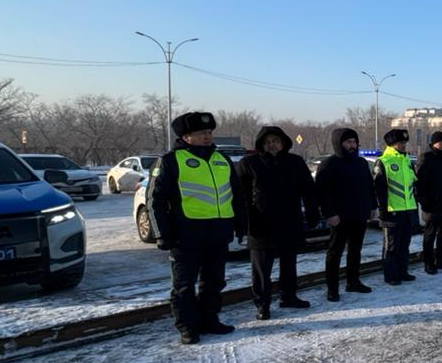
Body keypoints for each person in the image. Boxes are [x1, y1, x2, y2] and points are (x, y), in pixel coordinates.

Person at [147, 111, 246, 344]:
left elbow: (237, 195)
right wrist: (161, 234)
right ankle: (188, 327)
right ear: (185, 136)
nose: (207, 136)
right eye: (201, 133)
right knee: (183, 285)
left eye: (209, 132)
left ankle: (210, 320)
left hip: (218, 233)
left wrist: (242, 226)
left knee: (214, 282)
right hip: (186, 234)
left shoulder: (222, 159)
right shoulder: (171, 161)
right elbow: (155, 200)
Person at [235, 125, 319, 320]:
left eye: (276, 141)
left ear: (283, 143)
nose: (272, 145)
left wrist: (313, 213)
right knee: (261, 269)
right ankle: (262, 304)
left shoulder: (295, 162)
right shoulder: (249, 163)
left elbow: (308, 190)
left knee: (289, 264)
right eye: (268, 141)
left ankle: (289, 296)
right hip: (260, 224)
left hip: (290, 222)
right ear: (261, 144)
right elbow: (239, 195)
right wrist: (242, 222)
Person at [315, 127, 375, 301]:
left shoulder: (361, 163)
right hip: (339, 217)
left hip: (359, 215)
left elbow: (369, 187)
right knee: (335, 253)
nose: (352, 145)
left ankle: (353, 282)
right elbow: (323, 193)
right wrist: (330, 213)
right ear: (338, 143)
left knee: (355, 251)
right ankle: (332, 288)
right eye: (348, 142)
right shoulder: (329, 164)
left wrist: (372, 206)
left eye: (354, 142)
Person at [373, 128, 418, 286]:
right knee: (391, 246)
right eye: (400, 143)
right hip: (392, 211)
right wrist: (383, 211)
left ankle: (403, 271)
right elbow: (379, 189)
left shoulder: (407, 161)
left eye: (405, 142)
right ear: (392, 144)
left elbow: (413, 185)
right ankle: (391, 275)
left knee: (404, 244)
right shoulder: (384, 162)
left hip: (407, 210)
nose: (404, 145)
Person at [415, 130, 442, 274]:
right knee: (430, 236)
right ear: (434, 143)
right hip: (433, 205)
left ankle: (441, 260)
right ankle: (429, 263)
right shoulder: (426, 158)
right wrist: (425, 205)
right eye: (441, 142)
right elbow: (420, 185)